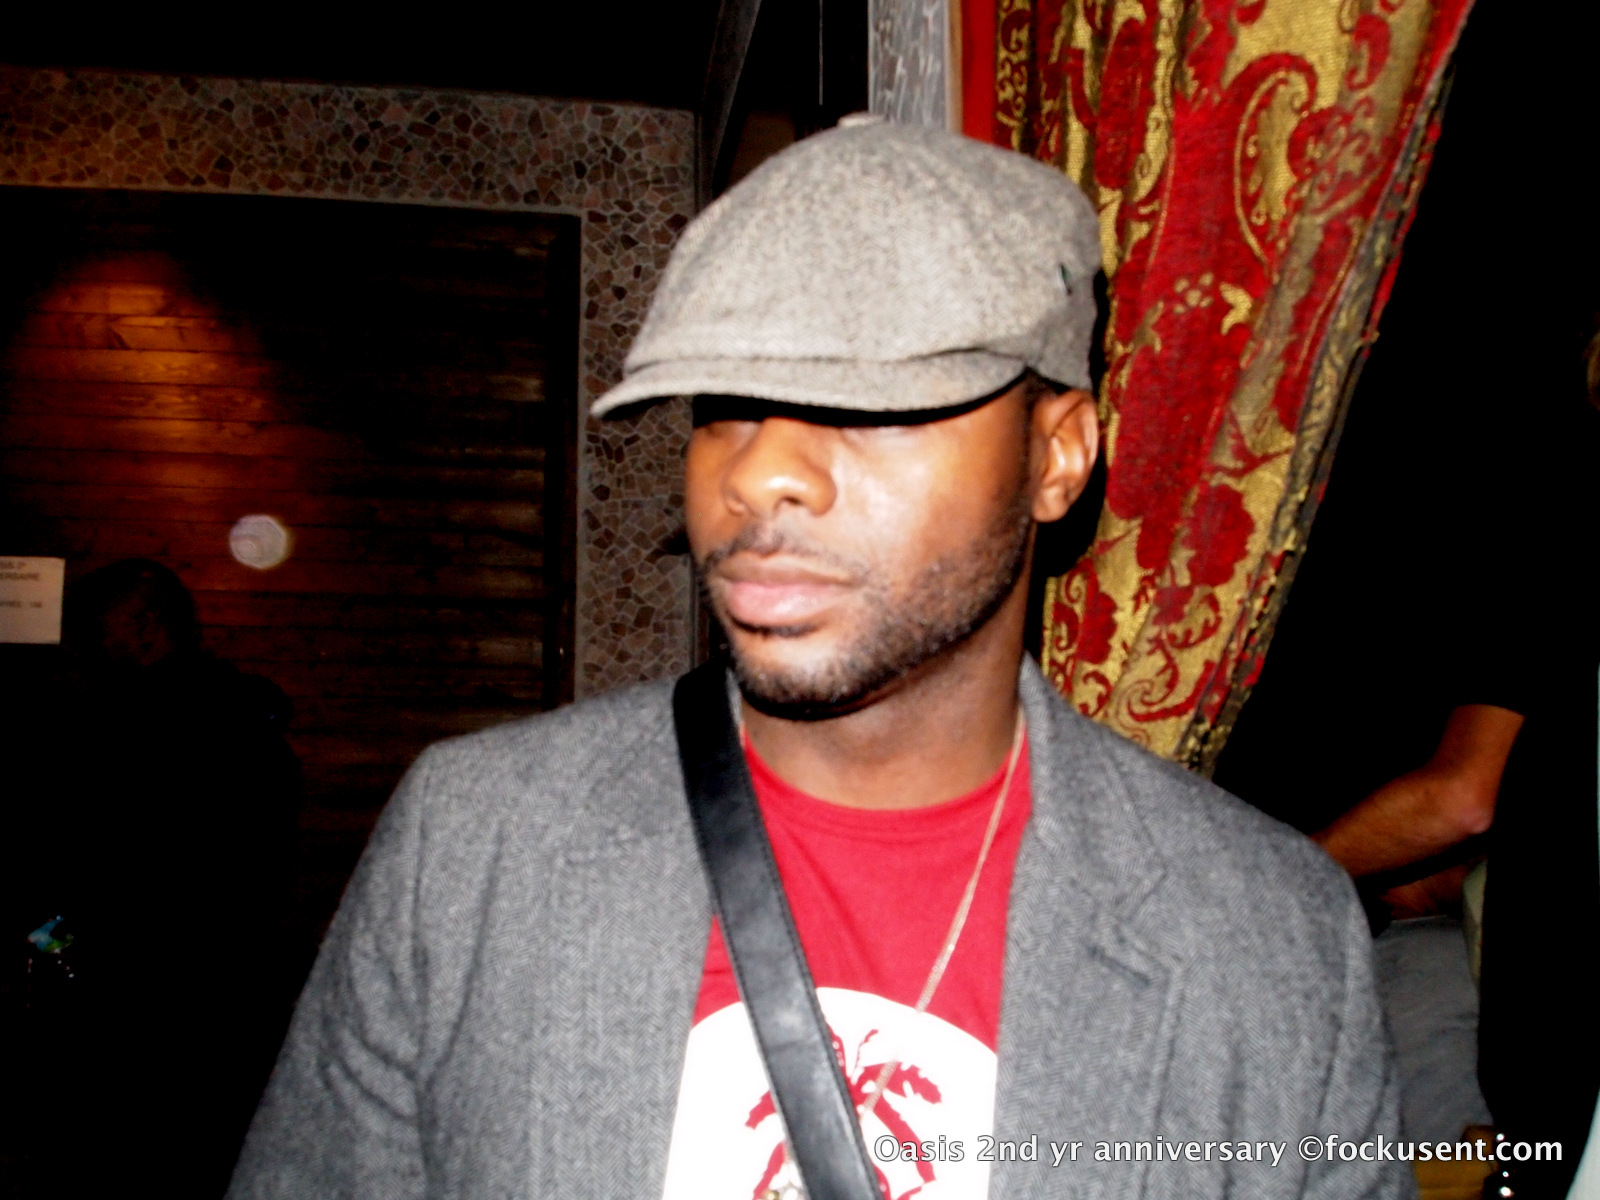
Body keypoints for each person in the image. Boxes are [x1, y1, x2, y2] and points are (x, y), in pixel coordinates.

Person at [228, 120, 1403, 1200]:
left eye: (872, 398)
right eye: (727, 403)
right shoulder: (476, 844)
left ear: (1055, 458)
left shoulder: (1265, 937)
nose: (756, 474)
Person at [6, 559, 299, 1199]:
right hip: (215, 1020)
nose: (85, 648)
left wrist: (63, 962)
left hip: (129, 1026)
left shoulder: (113, 737)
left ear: (145, 627)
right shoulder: (250, 731)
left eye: (96, 631)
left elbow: (51, 882)